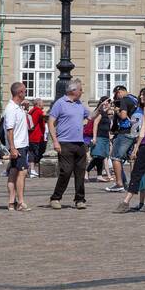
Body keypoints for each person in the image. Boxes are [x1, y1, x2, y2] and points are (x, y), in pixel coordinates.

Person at [48, 78, 94, 209]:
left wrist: (101, 109)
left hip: (79, 143)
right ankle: (55, 198)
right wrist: (55, 141)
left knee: (80, 172)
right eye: (80, 89)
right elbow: (51, 122)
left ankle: (80, 200)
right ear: (73, 91)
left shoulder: (79, 104)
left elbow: (90, 117)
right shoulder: (60, 103)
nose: (82, 91)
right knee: (66, 171)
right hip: (65, 143)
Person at [2, 81, 32, 211]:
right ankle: (20, 202)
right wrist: (13, 148)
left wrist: (24, 108)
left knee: (14, 172)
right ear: (19, 93)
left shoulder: (17, 107)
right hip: (18, 146)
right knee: (22, 172)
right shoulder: (11, 109)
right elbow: (10, 130)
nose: (25, 93)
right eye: (24, 91)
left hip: (21, 144)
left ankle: (10, 203)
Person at [108, 85, 139, 191]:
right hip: (135, 132)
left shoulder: (124, 100)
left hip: (125, 132)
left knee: (115, 157)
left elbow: (123, 116)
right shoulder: (134, 99)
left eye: (116, 94)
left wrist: (117, 110)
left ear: (120, 92)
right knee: (131, 157)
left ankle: (119, 183)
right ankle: (133, 182)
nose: (116, 97)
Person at [87, 97, 112, 182]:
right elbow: (95, 124)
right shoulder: (101, 113)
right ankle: (86, 171)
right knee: (99, 156)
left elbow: (108, 128)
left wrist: (109, 140)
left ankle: (99, 175)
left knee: (102, 157)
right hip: (99, 137)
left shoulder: (107, 114)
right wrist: (94, 137)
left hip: (105, 138)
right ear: (103, 103)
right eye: (108, 102)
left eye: (110, 102)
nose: (109, 104)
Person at [26, 99, 47, 178]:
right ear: (38, 104)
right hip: (36, 136)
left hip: (31, 135)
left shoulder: (31, 111)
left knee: (31, 152)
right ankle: (32, 170)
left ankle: (31, 170)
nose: (43, 105)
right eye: (42, 103)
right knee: (35, 153)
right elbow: (44, 117)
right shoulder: (38, 111)